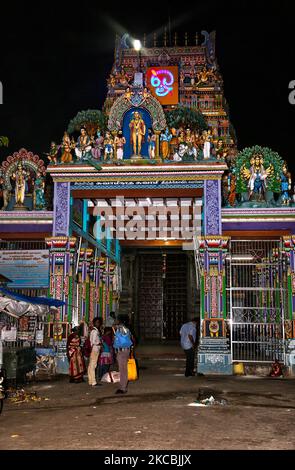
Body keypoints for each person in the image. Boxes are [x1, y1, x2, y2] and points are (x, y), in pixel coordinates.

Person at [113, 314, 133, 394]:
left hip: (122, 351)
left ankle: (122, 388)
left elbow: (120, 337)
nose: (116, 321)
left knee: (122, 370)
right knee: (123, 370)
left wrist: (116, 328)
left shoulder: (121, 328)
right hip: (125, 350)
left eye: (117, 319)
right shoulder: (127, 328)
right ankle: (122, 387)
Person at [87, 317, 102, 387]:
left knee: (91, 366)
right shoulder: (95, 331)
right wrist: (99, 344)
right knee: (93, 365)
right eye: (97, 322)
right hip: (95, 349)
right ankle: (93, 382)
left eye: (99, 322)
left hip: (95, 349)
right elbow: (92, 342)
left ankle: (90, 380)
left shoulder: (95, 330)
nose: (98, 324)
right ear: (94, 323)